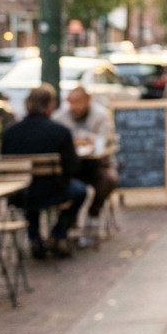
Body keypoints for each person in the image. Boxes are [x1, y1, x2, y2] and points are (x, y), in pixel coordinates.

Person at [1, 84, 88, 260]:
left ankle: (35, 238)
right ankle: (58, 233)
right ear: (49, 105)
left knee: (30, 190)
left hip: (19, 194)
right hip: (52, 191)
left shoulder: (10, 133)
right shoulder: (60, 132)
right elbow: (72, 167)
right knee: (80, 191)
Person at [51, 85, 118, 246]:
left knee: (108, 179)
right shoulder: (60, 118)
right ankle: (68, 222)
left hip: (95, 164)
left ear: (88, 101)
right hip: (70, 166)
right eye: (71, 102)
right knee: (62, 184)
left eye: (78, 102)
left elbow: (105, 141)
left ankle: (93, 214)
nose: (75, 107)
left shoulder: (100, 115)